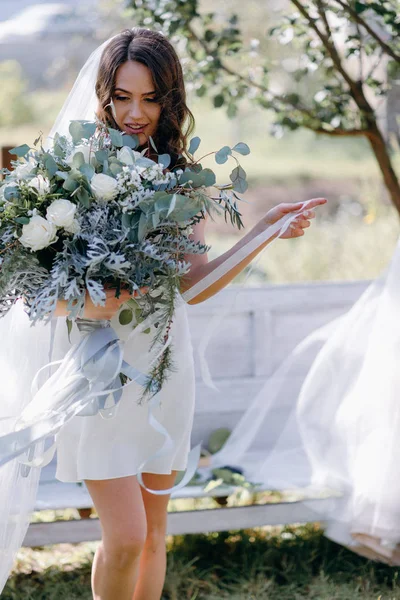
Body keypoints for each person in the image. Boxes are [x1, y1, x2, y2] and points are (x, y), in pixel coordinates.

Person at [0, 27, 326, 599]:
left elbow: (192, 289)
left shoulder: (182, 174)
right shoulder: (66, 173)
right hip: (96, 376)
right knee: (124, 536)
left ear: (170, 99)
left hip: (163, 366)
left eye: (150, 98)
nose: (135, 113)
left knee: (152, 536)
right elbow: (30, 288)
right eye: (122, 97)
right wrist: (85, 300)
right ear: (103, 96)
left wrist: (266, 231)